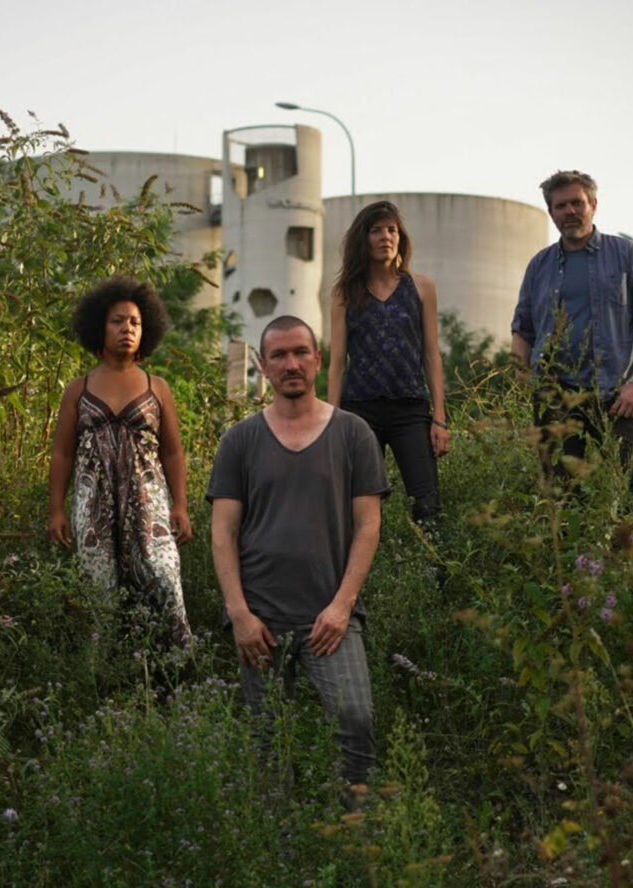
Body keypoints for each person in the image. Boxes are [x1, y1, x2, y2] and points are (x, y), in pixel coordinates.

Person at [208, 315, 388, 790]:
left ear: (318, 358)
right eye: (279, 356)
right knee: (270, 742)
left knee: (355, 721)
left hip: (331, 619)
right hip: (260, 622)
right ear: (263, 368)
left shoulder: (353, 434)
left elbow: (368, 525)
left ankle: (358, 841)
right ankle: (278, 851)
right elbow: (222, 532)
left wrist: (342, 607)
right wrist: (239, 616)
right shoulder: (240, 440)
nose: (292, 364)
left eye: (300, 353)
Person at [48, 277, 193, 646]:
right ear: (100, 325)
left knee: (162, 578)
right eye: (117, 321)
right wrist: (56, 511)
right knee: (99, 592)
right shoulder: (78, 389)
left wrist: (180, 505)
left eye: (135, 322)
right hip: (93, 504)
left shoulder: (157, 387)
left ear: (147, 331)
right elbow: (62, 453)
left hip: (148, 505)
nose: (126, 328)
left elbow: (172, 451)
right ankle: (102, 680)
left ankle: (175, 670)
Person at [511, 170, 633, 495]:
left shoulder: (624, 255)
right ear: (551, 212)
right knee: (560, 496)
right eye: (560, 206)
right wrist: (526, 385)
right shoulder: (539, 266)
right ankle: (574, 547)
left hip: (615, 398)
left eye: (577, 203)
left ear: (593, 204)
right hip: (555, 399)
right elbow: (522, 330)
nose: (570, 211)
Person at [327, 200, 450, 526]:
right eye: (376, 230)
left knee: (427, 504)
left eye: (392, 229)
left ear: (401, 237)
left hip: (410, 410)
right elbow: (337, 361)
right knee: (358, 506)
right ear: (363, 239)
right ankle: (358, 575)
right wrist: (331, 420)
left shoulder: (422, 287)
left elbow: (431, 353)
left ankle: (436, 576)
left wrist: (439, 418)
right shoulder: (344, 293)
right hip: (360, 412)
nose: (385, 236)